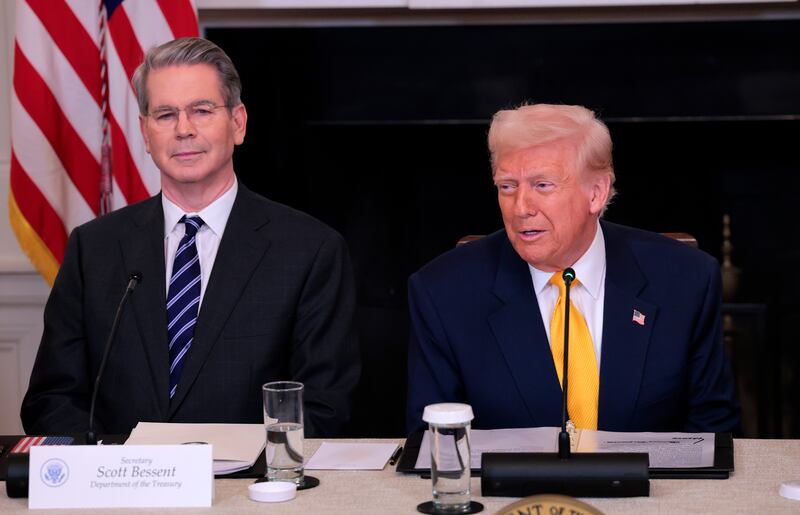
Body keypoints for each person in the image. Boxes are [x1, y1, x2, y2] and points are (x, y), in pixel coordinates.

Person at [22, 37, 359, 438]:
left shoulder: (309, 250)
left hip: (250, 478)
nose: (184, 130)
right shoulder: (92, 249)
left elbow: (324, 406)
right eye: (165, 115)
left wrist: (220, 464)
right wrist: (112, 465)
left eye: (201, 110)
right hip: (119, 477)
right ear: (145, 133)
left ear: (238, 123)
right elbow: (52, 399)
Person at [406, 103, 739, 434]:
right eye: (507, 186)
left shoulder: (686, 281)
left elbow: (714, 432)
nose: (520, 208)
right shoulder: (443, 292)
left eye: (542, 185)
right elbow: (433, 443)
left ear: (596, 193)